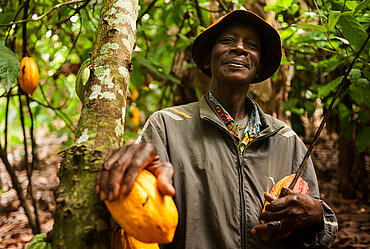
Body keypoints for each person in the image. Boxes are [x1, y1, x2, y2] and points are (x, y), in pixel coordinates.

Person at [96, 9, 338, 249]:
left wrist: (318, 215)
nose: (240, 48)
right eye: (228, 41)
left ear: (259, 66)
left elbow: (314, 227)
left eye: (251, 45)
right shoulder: (167, 125)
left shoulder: (285, 139)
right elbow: (138, 206)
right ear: (207, 59)